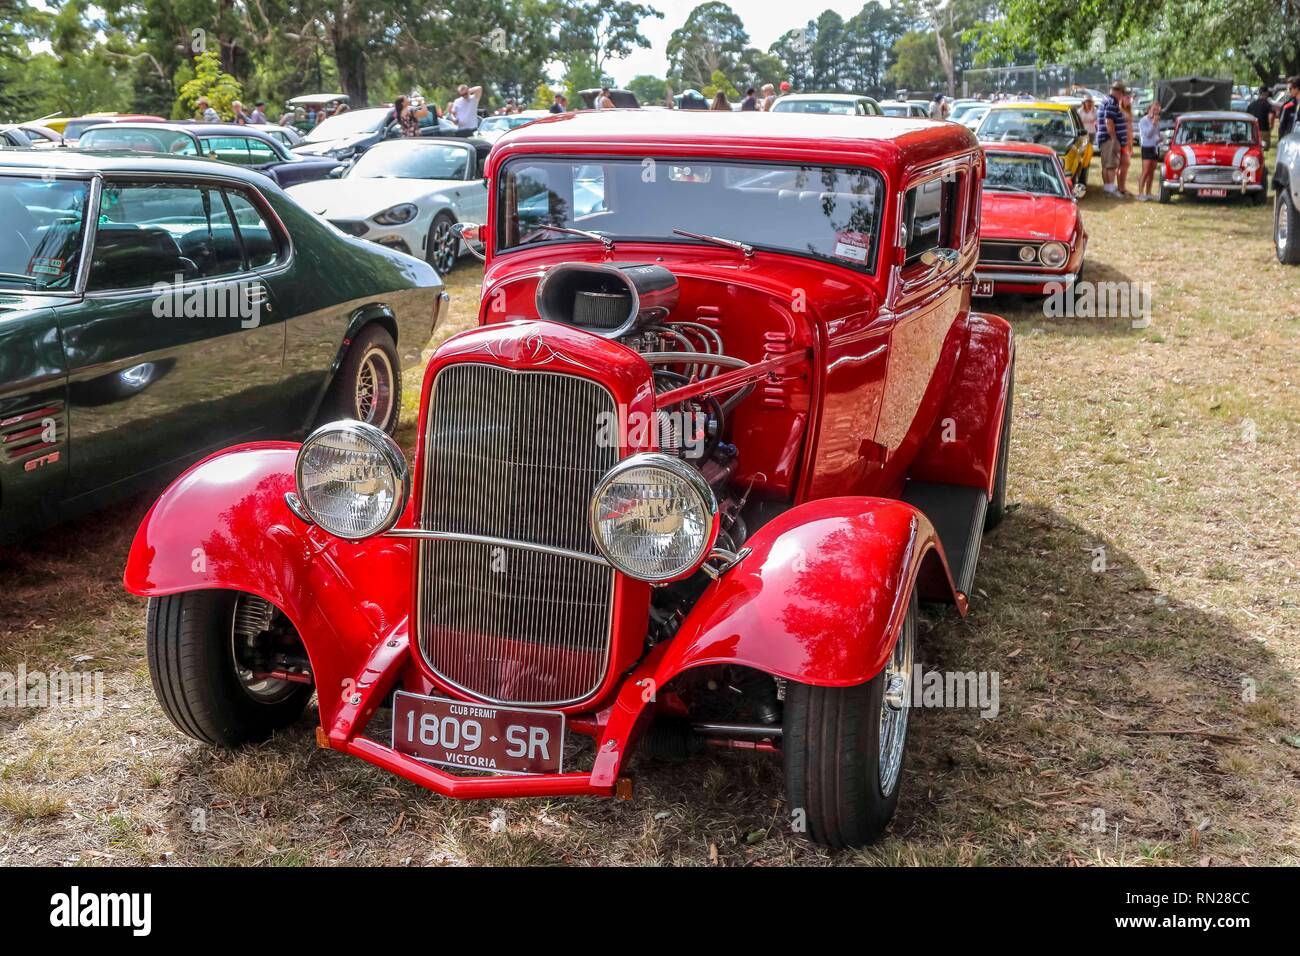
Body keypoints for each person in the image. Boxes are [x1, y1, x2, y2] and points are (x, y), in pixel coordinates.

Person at [1096, 81, 1128, 197]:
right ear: (1119, 92)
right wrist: (1114, 138)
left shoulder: (1105, 101)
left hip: (1104, 138)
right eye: (1123, 94)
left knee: (1106, 165)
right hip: (1109, 139)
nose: (1122, 97)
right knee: (1111, 164)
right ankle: (1110, 189)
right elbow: (1108, 121)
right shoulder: (1112, 103)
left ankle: (1108, 187)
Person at [1136, 101, 1162, 201]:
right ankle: (1140, 193)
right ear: (1149, 109)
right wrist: (1153, 123)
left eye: (1158, 110)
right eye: (1154, 109)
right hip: (1146, 147)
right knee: (1145, 171)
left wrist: (1160, 138)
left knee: (1152, 171)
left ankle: (1148, 192)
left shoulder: (1157, 121)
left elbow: (1155, 135)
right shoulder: (1143, 121)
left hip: (1154, 147)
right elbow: (1147, 134)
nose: (1156, 112)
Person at [1117, 90, 1135, 197]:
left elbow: (1130, 129)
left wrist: (1131, 143)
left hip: (1128, 141)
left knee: (1126, 165)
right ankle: (1120, 188)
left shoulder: (1128, 111)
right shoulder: (1120, 111)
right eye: (1126, 98)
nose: (1128, 100)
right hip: (1122, 141)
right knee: (1123, 164)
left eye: (1129, 98)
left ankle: (1122, 187)